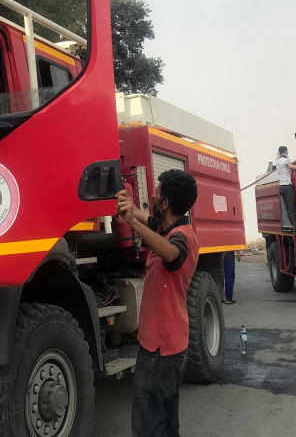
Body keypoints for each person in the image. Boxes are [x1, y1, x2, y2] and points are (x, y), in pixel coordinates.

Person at [115, 169, 199, 437]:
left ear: (165, 203)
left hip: (160, 346)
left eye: (157, 191)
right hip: (166, 342)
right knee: (165, 418)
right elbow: (142, 216)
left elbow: (171, 254)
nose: (152, 194)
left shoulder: (181, 236)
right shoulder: (165, 227)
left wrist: (132, 222)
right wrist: (127, 205)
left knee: (149, 423)